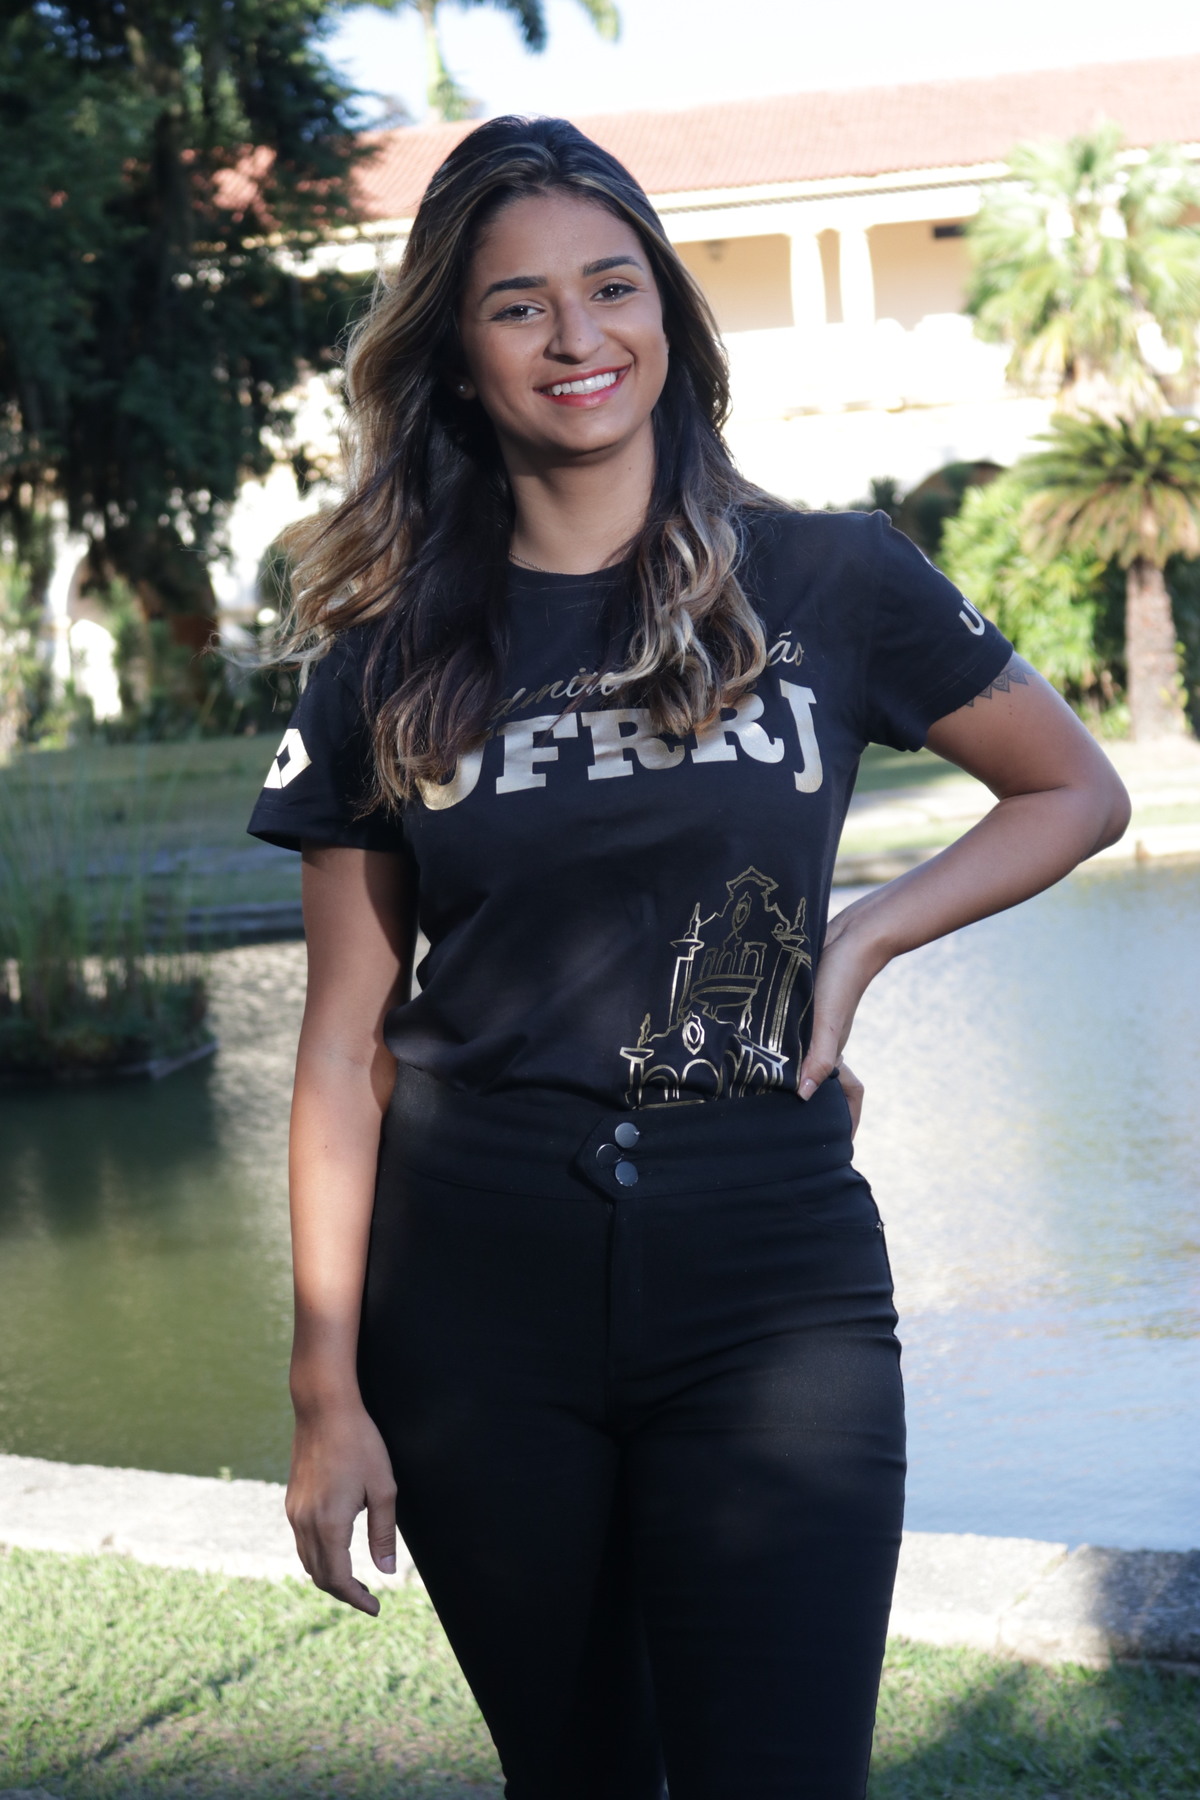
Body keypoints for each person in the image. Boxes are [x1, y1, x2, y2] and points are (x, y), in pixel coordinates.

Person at [248, 115, 1129, 1800]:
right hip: (474, 1295)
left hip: (770, 1278)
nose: (575, 336)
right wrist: (324, 1388)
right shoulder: (382, 658)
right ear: (456, 348)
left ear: (667, 310)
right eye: (518, 304)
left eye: (612, 286)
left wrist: (861, 938)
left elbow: (1072, 791)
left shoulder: (831, 575)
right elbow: (344, 1049)